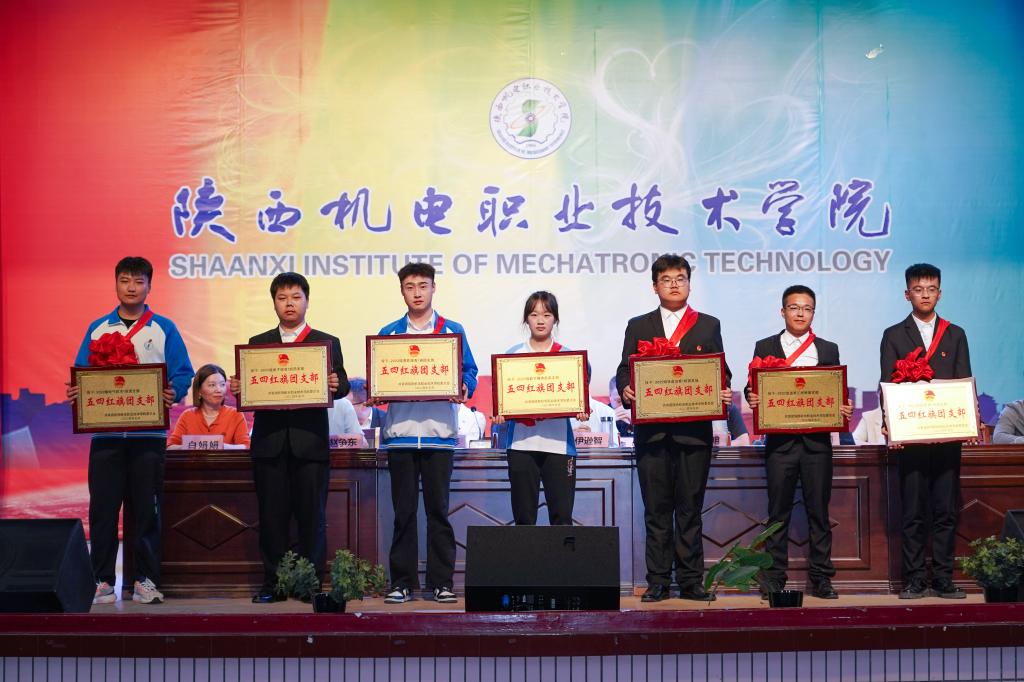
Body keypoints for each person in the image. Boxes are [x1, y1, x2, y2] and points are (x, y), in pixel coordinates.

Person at [67, 257, 194, 605]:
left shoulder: (164, 328)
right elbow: (81, 371)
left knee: (147, 511)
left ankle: (145, 580)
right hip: (106, 436)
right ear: (116, 284)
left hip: (148, 438)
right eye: (125, 280)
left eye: (139, 281)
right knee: (103, 511)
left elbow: (183, 373)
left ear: (149, 286)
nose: (131, 287)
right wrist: (77, 390)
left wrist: (174, 390)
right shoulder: (98, 328)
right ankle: (102, 581)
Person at [615, 254, 733, 602]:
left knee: (689, 509)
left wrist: (723, 388)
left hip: (694, 435)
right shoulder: (639, 325)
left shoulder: (708, 325)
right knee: (656, 510)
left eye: (680, 278)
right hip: (652, 434)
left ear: (689, 284)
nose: (674, 285)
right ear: (655, 286)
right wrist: (626, 388)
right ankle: (658, 582)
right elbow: (624, 369)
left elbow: (721, 371)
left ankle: (691, 581)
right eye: (666, 279)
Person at [230, 272, 348, 603]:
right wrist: (240, 387)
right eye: (282, 298)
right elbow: (249, 387)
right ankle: (274, 585)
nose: (289, 304)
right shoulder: (258, 344)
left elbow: (342, 384)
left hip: (310, 444)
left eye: (296, 297)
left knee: (312, 519)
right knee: (271, 520)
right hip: (269, 445)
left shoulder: (326, 342)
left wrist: (337, 383)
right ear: (274, 304)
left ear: (307, 301)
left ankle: (310, 584)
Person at [372, 262, 478, 604]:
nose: (416, 293)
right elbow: (378, 376)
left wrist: (464, 386)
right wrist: (376, 389)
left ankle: (441, 583)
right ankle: (402, 583)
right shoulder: (389, 334)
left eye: (422, 285)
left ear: (434, 288)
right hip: (401, 436)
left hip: (439, 435)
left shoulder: (452, 331)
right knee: (403, 514)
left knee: (438, 512)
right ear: (402, 291)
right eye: (410, 287)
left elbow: (470, 372)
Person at [744, 285, 853, 599]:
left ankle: (822, 578)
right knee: (778, 514)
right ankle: (773, 578)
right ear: (783, 311)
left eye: (807, 308)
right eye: (794, 307)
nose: (800, 313)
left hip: (817, 445)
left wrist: (842, 407)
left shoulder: (828, 349)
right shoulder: (765, 346)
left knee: (818, 513)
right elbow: (752, 387)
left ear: (813, 313)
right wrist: (752, 396)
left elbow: (835, 391)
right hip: (780, 445)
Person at [880, 263, 971, 599]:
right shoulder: (893, 334)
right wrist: (892, 424)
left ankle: (944, 578)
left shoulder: (955, 334)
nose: (925, 295)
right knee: (914, 511)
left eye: (931, 289)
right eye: (918, 290)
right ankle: (915, 579)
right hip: (912, 437)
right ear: (907, 294)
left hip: (947, 434)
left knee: (946, 510)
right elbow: (887, 383)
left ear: (940, 293)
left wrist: (968, 421)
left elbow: (963, 381)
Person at [496, 291, 588, 526]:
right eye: (534, 314)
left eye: (546, 315)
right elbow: (503, 397)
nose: (540, 320)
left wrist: (581, 408)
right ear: (526, 319)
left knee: (562, 518)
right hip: (521, 445)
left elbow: (580, 394)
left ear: (555, 319)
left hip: (559, 447)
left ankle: (563, 554)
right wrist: (500, 412)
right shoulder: (512, 356)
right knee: (524, 520)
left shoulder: (570, 358)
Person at [167, 364, 250, 448]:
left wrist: (220, 446)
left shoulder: (235, 414)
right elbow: (170, 446)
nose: (219, 390)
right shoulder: (187, 416)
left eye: (222, 385)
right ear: (199, 390)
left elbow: (246, 446)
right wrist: (194, 446)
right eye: (212, 385)